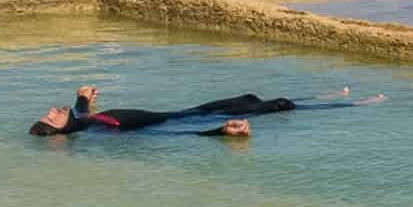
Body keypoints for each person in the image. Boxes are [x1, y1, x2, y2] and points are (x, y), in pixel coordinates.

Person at [29, 84, 382, 137]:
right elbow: (173, 136)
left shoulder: (87, 120)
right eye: (50, 118)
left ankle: (323, 94)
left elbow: (78, 113)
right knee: (278, 107)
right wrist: (220, 133)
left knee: (249, 95)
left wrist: (82, 97)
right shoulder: (106, 133)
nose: (51, 110)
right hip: (197, 120)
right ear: (60, 137)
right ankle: (351, 104)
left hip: (191, 109)